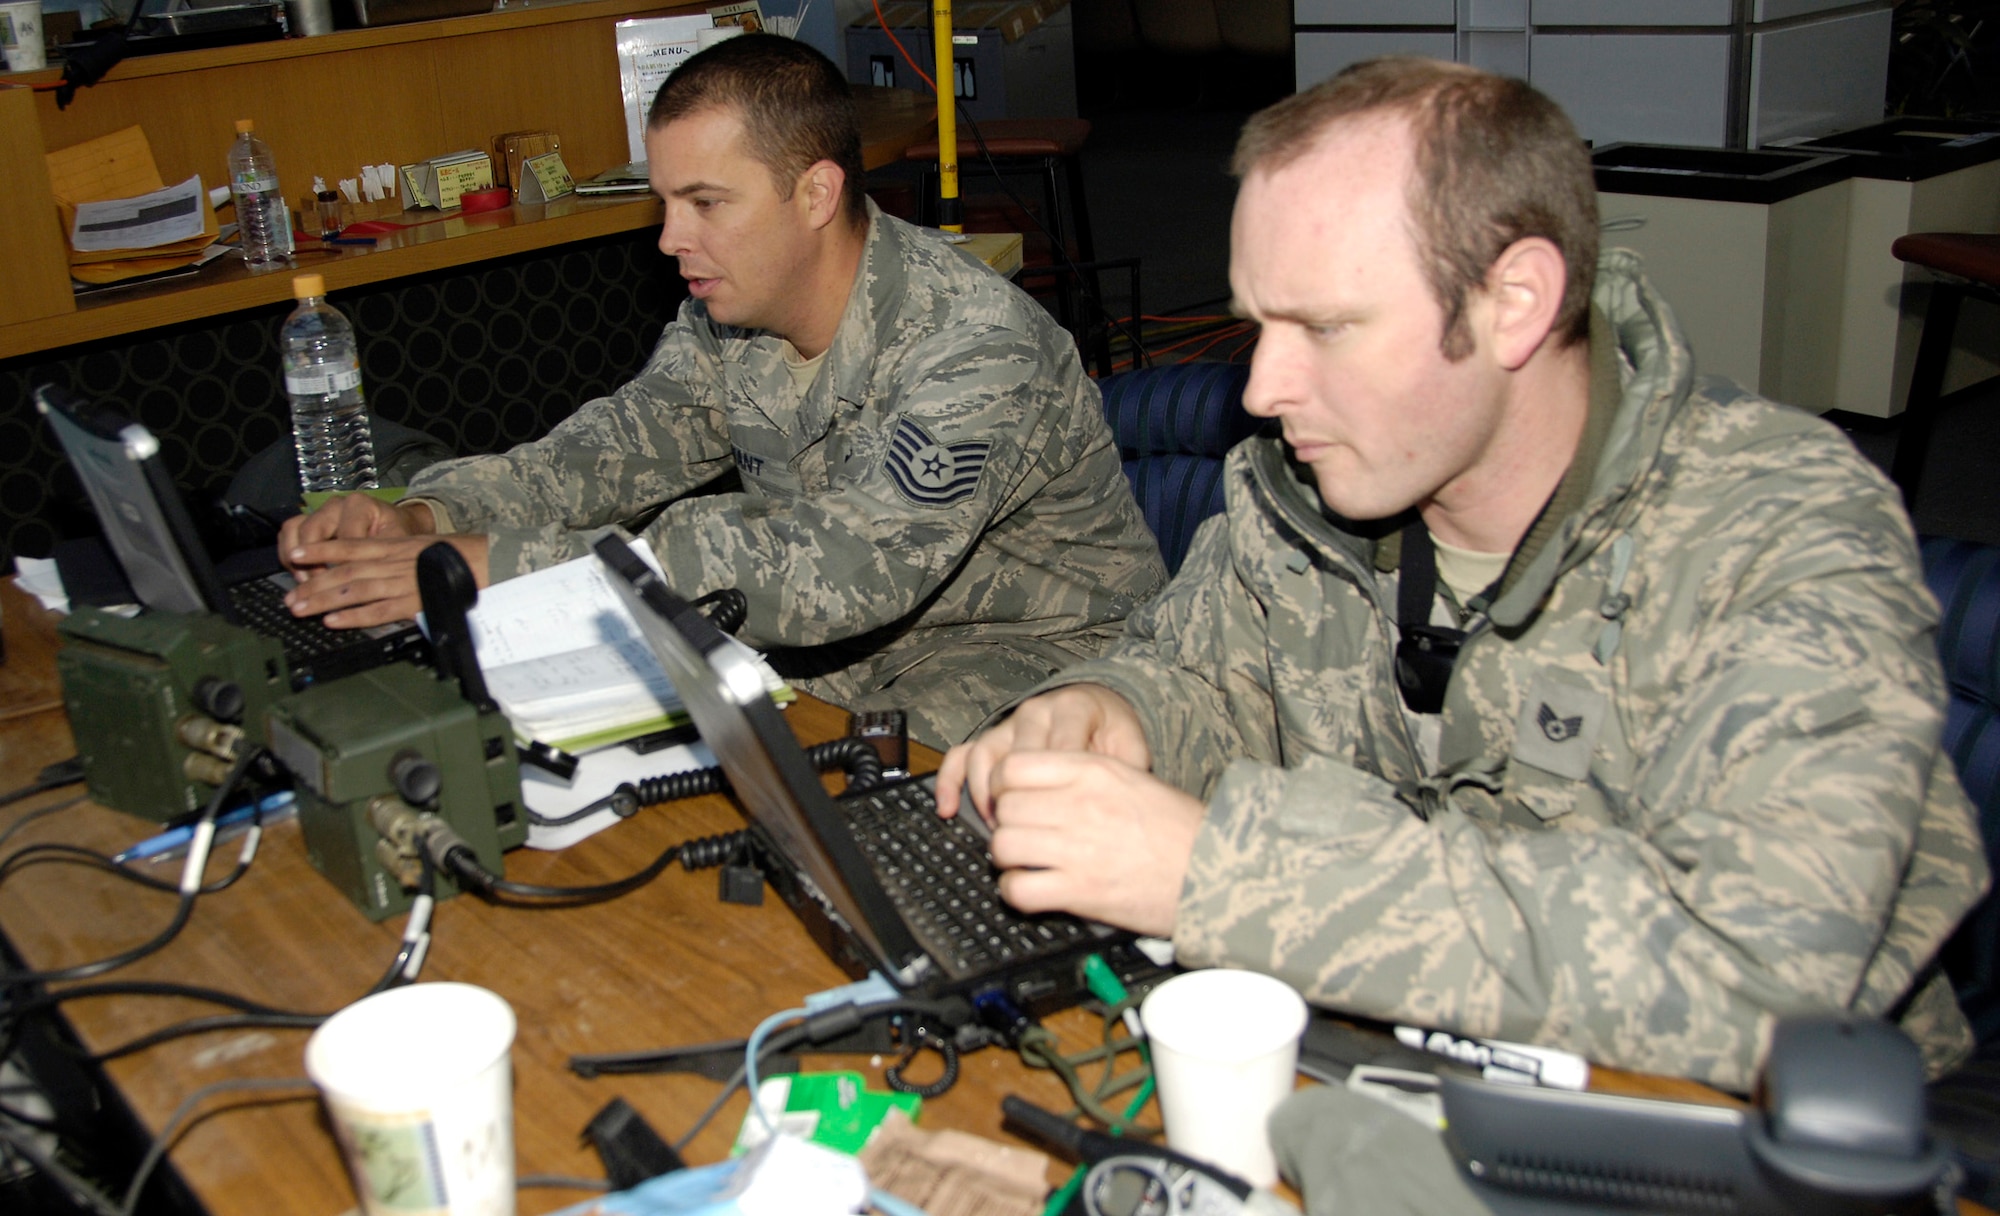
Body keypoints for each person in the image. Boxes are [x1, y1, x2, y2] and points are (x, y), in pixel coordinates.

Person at [940, 56, 1989, 1093]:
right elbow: (1205, 674)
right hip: (1391, 1072)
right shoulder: (1302, 488)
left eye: (1326, 326)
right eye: (1259, 324)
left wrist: (1221, 874)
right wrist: (1115, 711)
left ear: (1516, 301)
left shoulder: (1782, 530)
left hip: (1731, 1133)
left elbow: (1762, 965)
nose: (1261, 387)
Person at [275, 35, 1165, 748]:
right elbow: (610, 448)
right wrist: (428, 517)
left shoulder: (975, 345)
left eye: (706, 202)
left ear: (815, 193)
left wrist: (502, 567)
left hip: (1040, 658)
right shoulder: (728, 316)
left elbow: (847, 566)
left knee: (839, 801)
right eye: (665, 202)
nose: (670, 239)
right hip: (853, 648)